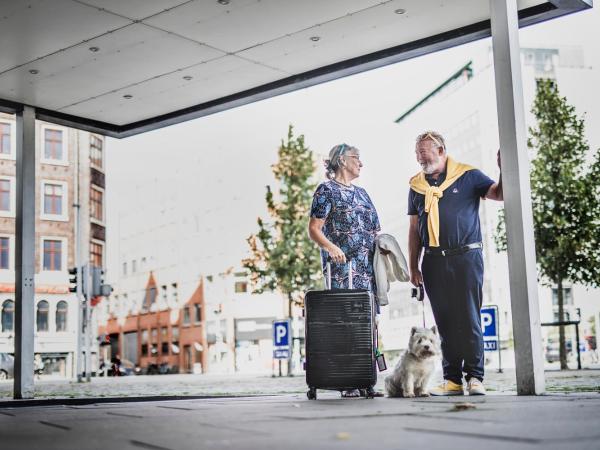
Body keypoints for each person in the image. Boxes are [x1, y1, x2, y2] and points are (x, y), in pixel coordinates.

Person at [407, 131, 503, 396]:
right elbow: (414, 229)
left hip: (466, 257)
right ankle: (452, 380)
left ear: (440, 150)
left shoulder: (468, 175)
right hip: (434, 262)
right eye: (417, 154)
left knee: (469, 318)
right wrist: (414, 267)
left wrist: (503, 169)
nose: (420, 158)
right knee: (445, 322)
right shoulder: (416, 185)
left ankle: (474, 377)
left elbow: (498, 193)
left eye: (424, 153)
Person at [308, 143, 382, 397]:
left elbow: (375, 230)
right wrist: (331, 248)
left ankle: (366, 380)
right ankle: (348, 381)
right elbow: (314, 229)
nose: (361, 163)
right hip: (342, 269)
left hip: (366, 269)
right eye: (356, 158)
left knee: (368, 323)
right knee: (346, 324)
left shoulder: (362, 194)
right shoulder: (326, 190)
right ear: (341, 160)